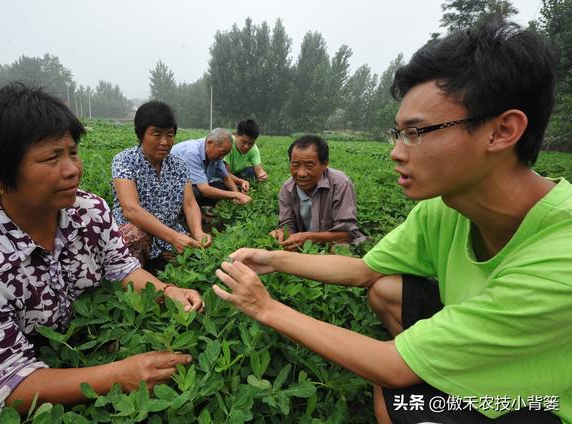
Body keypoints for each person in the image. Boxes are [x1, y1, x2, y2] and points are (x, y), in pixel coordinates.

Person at [213, 23, 569, 423]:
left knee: (396, 391)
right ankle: (439, 363)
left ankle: (434, 373)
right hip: (483, 354)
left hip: (538, 404)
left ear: (503, 131)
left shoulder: (563, 258)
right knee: (385, 289)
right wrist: (272, 259)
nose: (397, 153)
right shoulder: (446, 207)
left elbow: (390, 365)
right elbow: (364, 270)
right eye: (397, 134)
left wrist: (265, 307)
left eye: (416, 132)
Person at [0, 84, 203, 413]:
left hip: (68, 345)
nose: (73, 169)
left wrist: (166, 290)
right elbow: (3, 385)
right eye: (51, 157)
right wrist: (119, 375)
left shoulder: (88, 210)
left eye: (72, 152)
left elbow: (122, 268)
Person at [112, 101, 211, 274]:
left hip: (170, 236)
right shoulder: (124, 160)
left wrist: (198, 232)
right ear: (141, 134)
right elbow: (130, 209)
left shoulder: (179, 165)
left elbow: (189, 203)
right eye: (156, 134)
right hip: (140, 235)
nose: (165, 142)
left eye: (170, 135)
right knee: (134, 236)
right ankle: (132, 278)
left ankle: (159, 261)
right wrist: (173, 237)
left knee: (199, 264)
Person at [269, 135, 366, 251]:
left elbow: (348, 233)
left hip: (333, 243)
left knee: (338, 250)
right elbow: (288, 226)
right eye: (295, 165)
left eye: (309, 166)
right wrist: (281, 233)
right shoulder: (287, 189)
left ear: (325, 164)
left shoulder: (340, 184)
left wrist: (310, 238)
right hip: (303, 245)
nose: (301, 173)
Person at [171, 128, 251, 208]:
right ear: (209, 143)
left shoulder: (216, 155)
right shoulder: (192, 152)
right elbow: (205, 190)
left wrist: (237, 194)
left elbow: (226, 178)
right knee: (196, 192)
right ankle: (188, 213)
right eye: (221, 153)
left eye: (225, 154)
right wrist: (236, 195)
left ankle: (205, 209)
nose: (222, 158)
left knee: (222, 186)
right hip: (171, 191)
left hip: (196, 186)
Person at [224, 119, 268, 190]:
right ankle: (237, 187)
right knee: (221, 182)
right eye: (243, 142)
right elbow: (226, 174)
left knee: (251, 171)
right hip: (224, 175)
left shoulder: (254, 148)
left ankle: (239, 186)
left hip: (237, 175)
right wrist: (241, 182)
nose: (246, 146)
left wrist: (261, 175)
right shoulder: (228, 143)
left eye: (250, 143)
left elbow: (258, 168)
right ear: (236, 135)